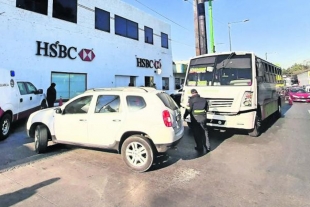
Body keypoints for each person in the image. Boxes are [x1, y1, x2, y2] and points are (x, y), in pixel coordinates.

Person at [183, 88, 210, 153]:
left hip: (195, 119)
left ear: (192, 93)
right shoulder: (204, 100)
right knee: (204, 132)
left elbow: (188, 110)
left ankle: (199, 147)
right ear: (197, 93)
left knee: (196, 133)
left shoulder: (191, 100)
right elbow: (207, 109)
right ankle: (207, 147)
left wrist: (184, 116)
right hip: (203, 118)